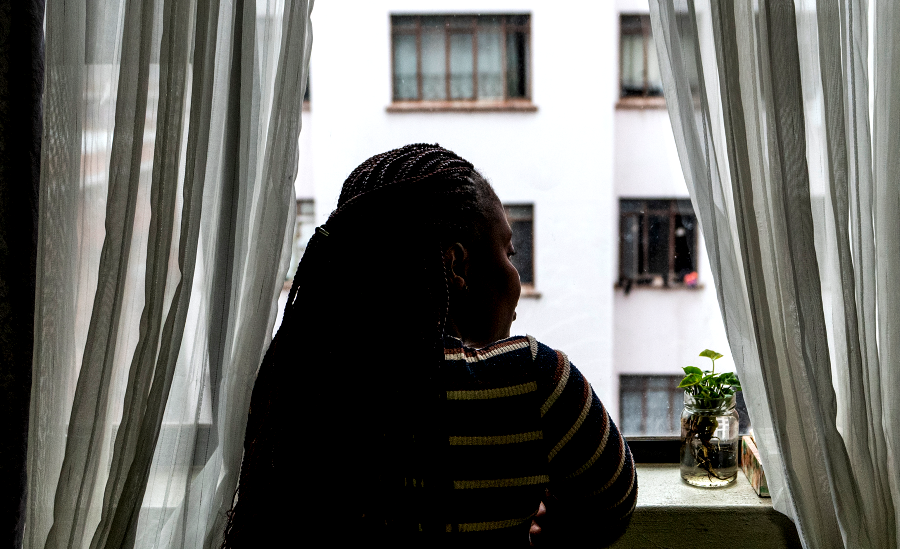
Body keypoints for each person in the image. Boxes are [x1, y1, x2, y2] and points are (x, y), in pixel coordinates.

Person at [222, 144, 636, 548]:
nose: (517, 277)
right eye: (509, 251)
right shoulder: (535, 380)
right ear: (457, 265)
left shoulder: (293, 385)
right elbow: (610, 509)